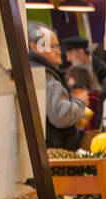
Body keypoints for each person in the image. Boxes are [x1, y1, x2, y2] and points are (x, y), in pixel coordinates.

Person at [27, 22, 87, 150]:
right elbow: (61, 115)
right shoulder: (44, 75)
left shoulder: (33, 70)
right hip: (56, 155)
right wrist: (80, 102)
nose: (59, 52)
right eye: (53, 46)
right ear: (35, 47)